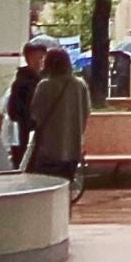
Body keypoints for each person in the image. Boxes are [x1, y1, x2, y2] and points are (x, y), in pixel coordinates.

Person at [24, 48, 90, 185]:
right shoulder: (79, 85)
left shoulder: (45, 85)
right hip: (73, 146)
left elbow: (36, 113)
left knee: (48, 184)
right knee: (66, 184)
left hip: (49, 147)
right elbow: (86, 111)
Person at [5, 41, 46, 168]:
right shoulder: (21, 83)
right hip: (24, 133)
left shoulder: (44, 81)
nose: (39, 62)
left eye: (42, 58)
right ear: (28, 59)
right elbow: (13, 110)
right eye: (36, 58)